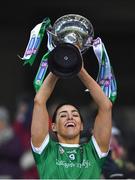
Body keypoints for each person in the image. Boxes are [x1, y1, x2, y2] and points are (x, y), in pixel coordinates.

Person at [31, 65, 112, 179]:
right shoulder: (45, 152)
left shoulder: (94, 152)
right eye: (63, 115)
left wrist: (80, 69)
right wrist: (58, 66)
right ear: (53, 126)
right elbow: (39, 100)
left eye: (75, 114)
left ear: (81, 126)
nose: (70, 117)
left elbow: (106, 106)